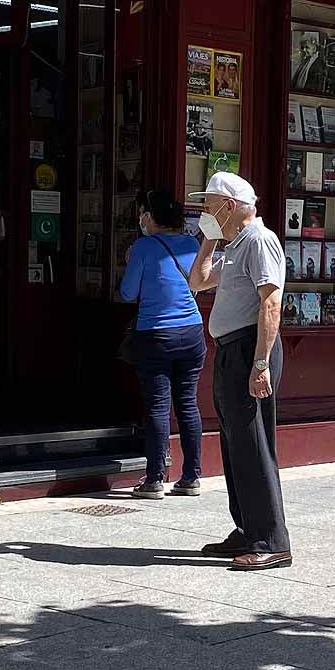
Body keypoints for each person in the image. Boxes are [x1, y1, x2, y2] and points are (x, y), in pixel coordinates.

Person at [188, 172, 291, 570]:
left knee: (254, 444)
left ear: (229, 206)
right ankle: (247, 528)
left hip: (251, 349)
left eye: (210, 205)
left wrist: (261, 363)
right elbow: (198, 281)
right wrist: (210, 238)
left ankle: (271, 539)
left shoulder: (260, 241)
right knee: (235, 445)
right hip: (232, 349)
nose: (204, 212)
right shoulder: (235, 245)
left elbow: (271, 303)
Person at [120, 189, 205, 498]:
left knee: (157, 406)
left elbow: (128, 293)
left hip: (156, 333)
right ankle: (191, 476)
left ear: (150, 217)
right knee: (187, 403)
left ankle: (155, 477)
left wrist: (130, 261)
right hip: (192, 331)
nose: (140, 218)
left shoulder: (144, 247)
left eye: (143, 212)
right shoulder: (191, 243)